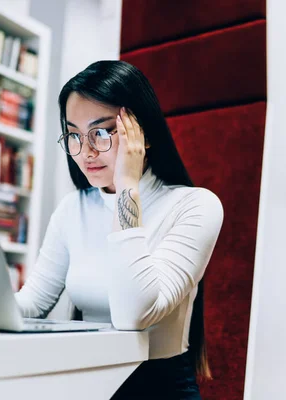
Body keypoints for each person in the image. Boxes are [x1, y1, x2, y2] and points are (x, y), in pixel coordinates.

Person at [15, 60, 224, 399]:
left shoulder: (196, 206)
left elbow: (133, 315)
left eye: (101, 131)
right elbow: (32, 303)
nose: (86, 151)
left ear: (142, 134)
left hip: (159, 388)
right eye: (74, 135)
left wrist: (128, 183)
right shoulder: (73, 208)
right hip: (85, 382)